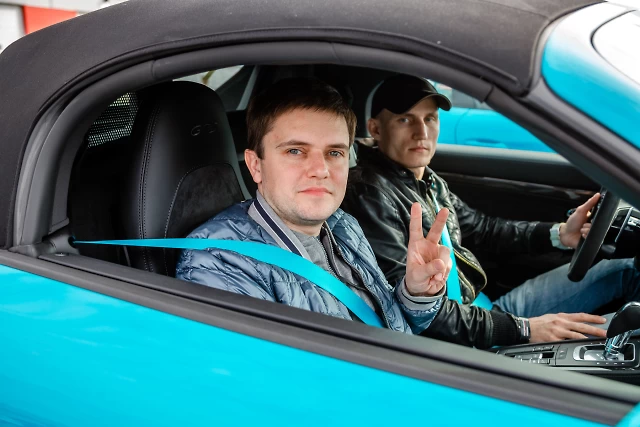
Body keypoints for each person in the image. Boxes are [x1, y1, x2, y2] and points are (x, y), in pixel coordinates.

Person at [341, 74, 640, 348]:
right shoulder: (370, 194)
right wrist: (523, 329)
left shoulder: (428, 181)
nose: (422, 132)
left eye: (430, 118)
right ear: (375, 128)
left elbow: (485, 229)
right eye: (405, 120)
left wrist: (560, 234)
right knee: (625, 334)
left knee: (627, 269)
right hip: (472, 339)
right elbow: (414, 310)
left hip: (485, 312)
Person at [175, 77, 453, 334]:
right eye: (296, 151)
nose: (321, 170)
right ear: (255, 165)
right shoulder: (219, 264)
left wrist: (416, 293)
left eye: (334, 152)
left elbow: (387, 326)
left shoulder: (344, 226)